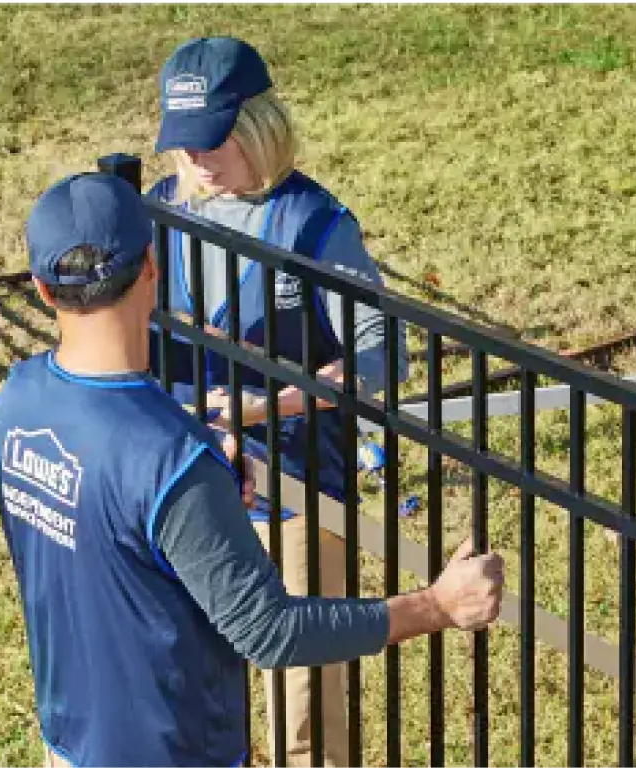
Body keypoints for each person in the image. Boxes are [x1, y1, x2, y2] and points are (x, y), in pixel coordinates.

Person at [0, 172, 504, 768]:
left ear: (43, 291)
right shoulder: (170, 460)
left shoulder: (13, 406)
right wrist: (437, 604)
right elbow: (270, 631)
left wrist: (203, 495)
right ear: (152, 264)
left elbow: (101, 521)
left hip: (70, 745)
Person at [147, 36, 410, 768]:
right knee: (194, 660)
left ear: (260, 125)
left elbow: (382, 359)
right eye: (183, 143)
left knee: (303, 689)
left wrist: (269, 406)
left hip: (298, 491)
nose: (196, 160)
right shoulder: (161, 210)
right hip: (188, 484)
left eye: (212, 141)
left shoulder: (316, 225)